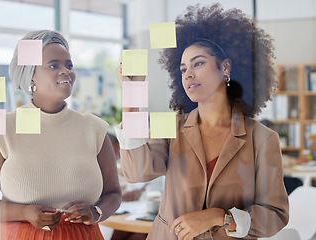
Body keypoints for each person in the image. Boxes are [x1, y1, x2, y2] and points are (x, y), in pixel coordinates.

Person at [114, 3, 288, 240]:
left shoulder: (263, 139)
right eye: (183, 68)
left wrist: (219, 217)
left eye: (198, 63)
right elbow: (136, 172)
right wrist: (131, 96)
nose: (188, 74)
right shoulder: (172, 127)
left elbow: (275, 215)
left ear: (225, 67)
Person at [0, 30, 122, 240]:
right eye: (53, 65)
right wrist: (24, 213)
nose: (66, 71)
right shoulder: (1, 129)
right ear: (31, 74)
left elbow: (113, 193)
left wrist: (96, 212)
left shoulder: (94, 129)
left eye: (69, 65)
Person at [107, 133, 148, 240]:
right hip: (104, 225)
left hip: (117, 218)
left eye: (117, 153)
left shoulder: (114, 169)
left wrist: (125, 197)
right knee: (141, 236)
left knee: (143, 235)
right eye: (112, 153)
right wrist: (121, 198)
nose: (116, 157)